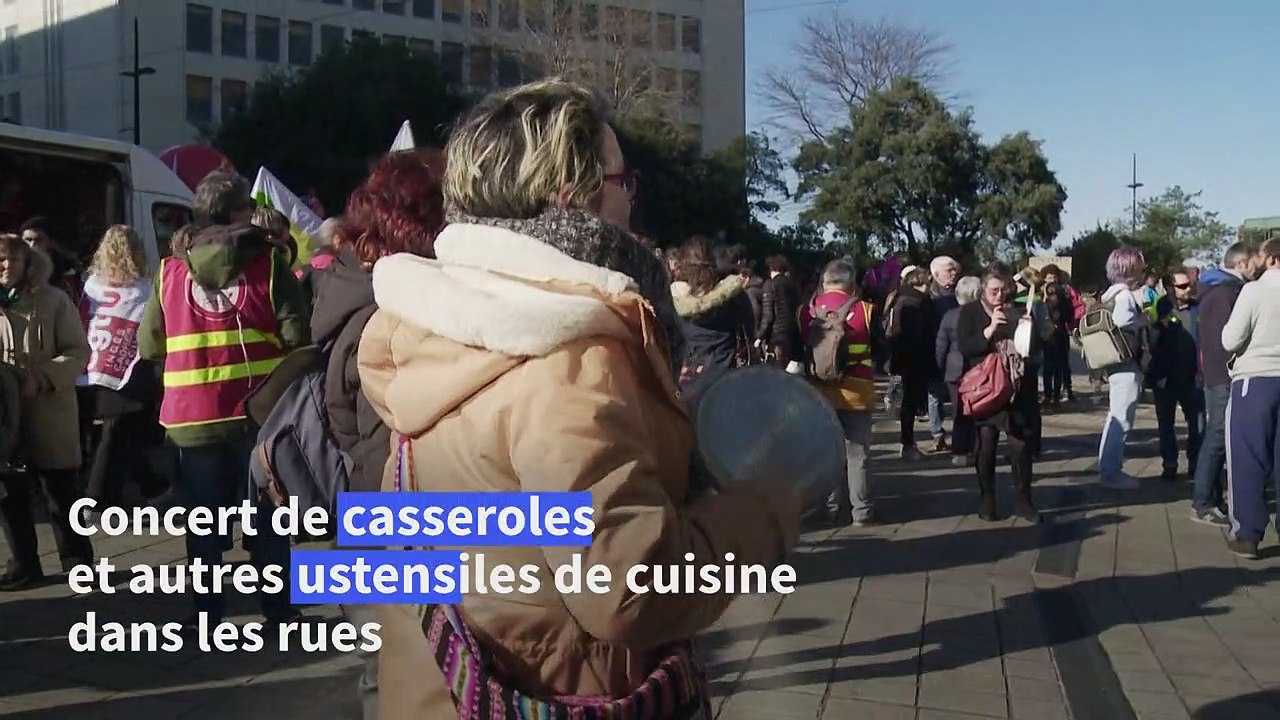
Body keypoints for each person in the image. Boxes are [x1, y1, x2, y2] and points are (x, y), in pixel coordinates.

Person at [358, 78, 800, 718]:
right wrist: (763, 510)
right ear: (570, 196)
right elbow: (630, 589)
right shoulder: (571, 353)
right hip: (560, 684)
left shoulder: (438, 317)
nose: (631, 203)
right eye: (625, 183)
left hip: (434, 686)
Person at [139, 171, 310, 628]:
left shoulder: (169, 271)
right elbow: (297, 336)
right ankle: (277, 611)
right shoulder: (269, 264)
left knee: (204, 524)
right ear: (241, 212)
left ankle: (206, 617)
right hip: (256, 413)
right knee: (269, 518)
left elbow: (150, 345)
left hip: (191, 418)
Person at [310, 149, 446, 720]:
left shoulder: (348, 289)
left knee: (384, 675)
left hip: (358, 519)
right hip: (397, 523)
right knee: (409, 680)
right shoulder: (397, 314)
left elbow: (343, 421)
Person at [0, 234, 93, 591]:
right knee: (9, 495)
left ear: (27, 263)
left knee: (61, 492)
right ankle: (24, 564)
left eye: (10, 260)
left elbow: (77, 352)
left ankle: (78, 562)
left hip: (49, 412)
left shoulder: (54, 301)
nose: (5, 267)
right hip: (6, 420)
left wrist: (43, 378)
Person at [79, 226, 165, 512]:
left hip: (94, 365)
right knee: (115, 432)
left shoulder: (91, 285)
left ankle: (142, 484)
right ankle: (98, 497)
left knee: (120, 432)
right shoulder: (145, 289)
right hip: (127, 371)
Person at [956, 270, 1040, 522]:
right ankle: (987, 498)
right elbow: (966, 347)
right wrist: (990, 329)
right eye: (993, 290)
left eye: (1003, 289)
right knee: (986, 445)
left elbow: (1034, 346)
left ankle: (1024, 500)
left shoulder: (1018, 309)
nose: (999, 295)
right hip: (987, 387)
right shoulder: (971, 312)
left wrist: (1028, 328)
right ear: (983, 289)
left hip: (1016, 387)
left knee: (1020, 446)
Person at [801, 258, 878, 527]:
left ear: (824, 282)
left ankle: (831, 509)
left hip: (819, 393)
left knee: (828, 454)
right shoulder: (866, 310)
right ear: (852, 283)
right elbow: (880, 349)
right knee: (858, 455)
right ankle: (862, 512)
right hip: (857, 392)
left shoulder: (807, 311)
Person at [1220, 239, 1280, 559]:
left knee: (1247, 457)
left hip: (1255, 379)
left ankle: (1248, 533)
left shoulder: (1254, 291)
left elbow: (1231, 338)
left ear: (1271, 259)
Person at [1190, 242, 1256, 527]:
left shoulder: (1217, 290)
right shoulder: (1227, 293)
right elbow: (1227, 340)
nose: (1257, 267)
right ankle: (1203, 501)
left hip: (1216, 373)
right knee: (1217, 436)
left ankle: (1211, 498)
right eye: (1253, 262)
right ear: (1241, 264)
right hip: (1224, 375)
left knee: (1217, 435)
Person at [671, 236, 754, 408]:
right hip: (727, 380)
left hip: (685, 380)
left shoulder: (671, 299)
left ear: (681, 266)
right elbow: (748, 334)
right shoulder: (734, 295)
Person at [1097, 247, 1151, 490]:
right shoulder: (1125, 296)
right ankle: (1111, 472)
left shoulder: (1108, 294)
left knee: (1114, 416)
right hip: (1125, 361)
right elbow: (1124, 321)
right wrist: (1145, 319)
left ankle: (1108, 468)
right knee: (1121, 418)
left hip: (1111, 361)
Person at [1147, 269, 1202, 482]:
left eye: (1189, 285)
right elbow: (1150, 343)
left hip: (1192, 376)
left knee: (1197, 424)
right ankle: (1169, 463)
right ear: (1170, 288)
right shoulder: (1160, 308)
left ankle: (1196, 463)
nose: (1188, 289)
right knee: (1166, 424)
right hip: (1165, 377)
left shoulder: (1198, 308)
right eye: (1182, 286)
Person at [886, 266, 938, 458]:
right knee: (912, 401)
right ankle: (908, 444)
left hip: (902, 356)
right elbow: (923, 332)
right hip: (917, 356)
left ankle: (907, 442)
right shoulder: (919, 303)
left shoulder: (897, 298)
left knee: (908, 399)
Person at [936, 276, 981, 466]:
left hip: (954, 369)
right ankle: (977, 449)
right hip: (979, 368)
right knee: (980, 410)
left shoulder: (949, 315)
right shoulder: (983, 316)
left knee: (959, 411)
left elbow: (941, 345)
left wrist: (941, 366)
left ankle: (960, 450)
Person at [926, 256, 959, 449]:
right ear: (936, 274)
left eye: (954, 270)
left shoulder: (960, 294)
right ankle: (937, 434)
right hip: (936, 350)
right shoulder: (929, 297)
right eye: (949, 270)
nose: (953, 274)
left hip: (956, 352)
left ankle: (960, 435)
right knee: (935, 394)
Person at [756, 255, 803, 369]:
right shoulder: (793, 286)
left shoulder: (769, 285)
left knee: (776, 369)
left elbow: (768, 315)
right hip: (793, 333)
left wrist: (760, 336)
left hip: (776, 335)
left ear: (771, 269)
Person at [1039, 263, 1074, 407]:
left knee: (1052, 366)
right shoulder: (1063, 295)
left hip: (1051, 335)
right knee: (1056, 367)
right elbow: (1069, 314)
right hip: (1057, 334)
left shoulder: (1054, 297)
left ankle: (1050, 396)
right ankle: (1055, 395)